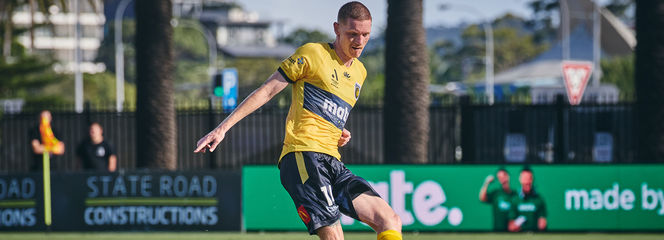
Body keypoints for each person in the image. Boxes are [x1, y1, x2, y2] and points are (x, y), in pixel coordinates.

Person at [194, 2, 402, 239]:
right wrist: (222, 128)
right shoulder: (313, 54)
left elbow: (324, 108)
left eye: (365, 34)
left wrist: (337, 129)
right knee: (335, 237)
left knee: (390, 219)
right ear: (336, 29)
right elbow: (267, 91)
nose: (360, 41)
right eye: (352, 34)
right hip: (303, 155)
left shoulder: (360, 72)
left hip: (332, 161)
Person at [508, 167, 547, 232]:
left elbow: (542, 223)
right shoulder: (514, 199)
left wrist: (541, 224)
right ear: (520, 180)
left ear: (532, 180)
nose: (527, 182)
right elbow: (511, 226)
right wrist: (517, 224)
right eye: (524, 178)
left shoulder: (539, 199)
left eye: (529, 178)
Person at [479, 167, 516, 231]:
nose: (502, 179)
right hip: (498, 230)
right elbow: (482, 198)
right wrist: (486, 183)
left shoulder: (515, 194)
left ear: (508, 176)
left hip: (513, 230)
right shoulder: (496, 194)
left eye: (503, 176)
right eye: (499, 177)